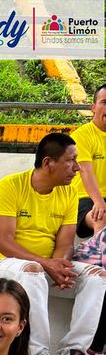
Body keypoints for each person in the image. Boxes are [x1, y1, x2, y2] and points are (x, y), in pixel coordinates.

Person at [0, 131, 106, 355]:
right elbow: (4, 243)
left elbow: (65, 242)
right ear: (48, 163)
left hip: (44, 268)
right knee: (33, 270)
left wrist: (60, 266)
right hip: (3, 265)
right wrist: (48, 264)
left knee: (97, 276)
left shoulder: (68, 193)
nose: (77, 168)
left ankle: (74, 354)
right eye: (70, 160)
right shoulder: (10, 186)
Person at [71, 83, 106, 240]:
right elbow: (85, 170)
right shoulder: (82, 135)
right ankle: (101, 254)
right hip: (85, 198)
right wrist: (99, 202)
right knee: (101, 217)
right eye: (104, 103)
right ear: (93, 108)